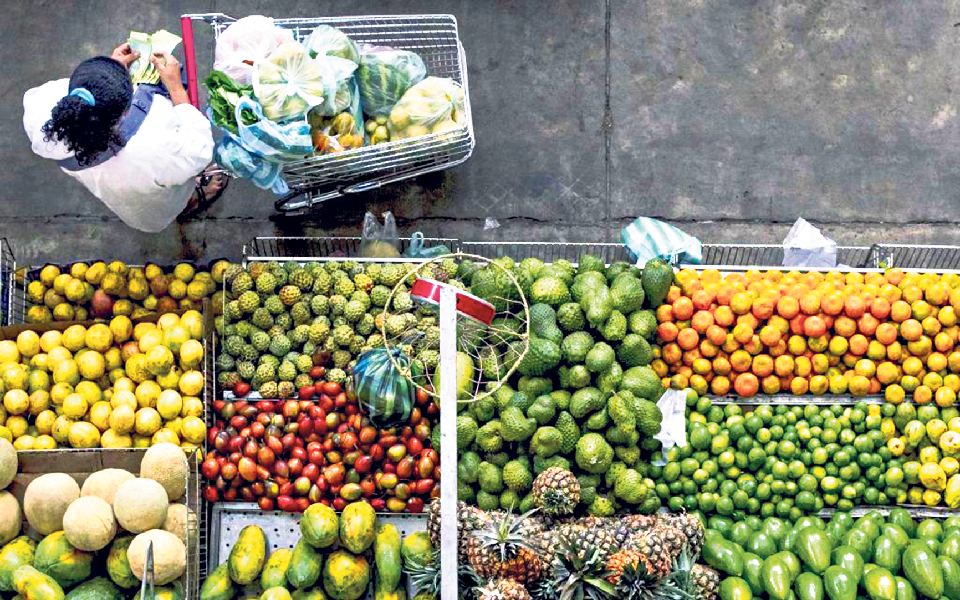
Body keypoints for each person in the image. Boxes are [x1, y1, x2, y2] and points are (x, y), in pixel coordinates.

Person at [22, 43, 225, 233]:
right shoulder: (154, 143)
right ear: (124, 113)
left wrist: (110, 74)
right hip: (152, 196)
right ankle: (192, 201)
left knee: (133, 205)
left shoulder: (43, 106)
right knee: (165, 201)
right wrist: (175, 88)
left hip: (113, 186)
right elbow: (200, 150)